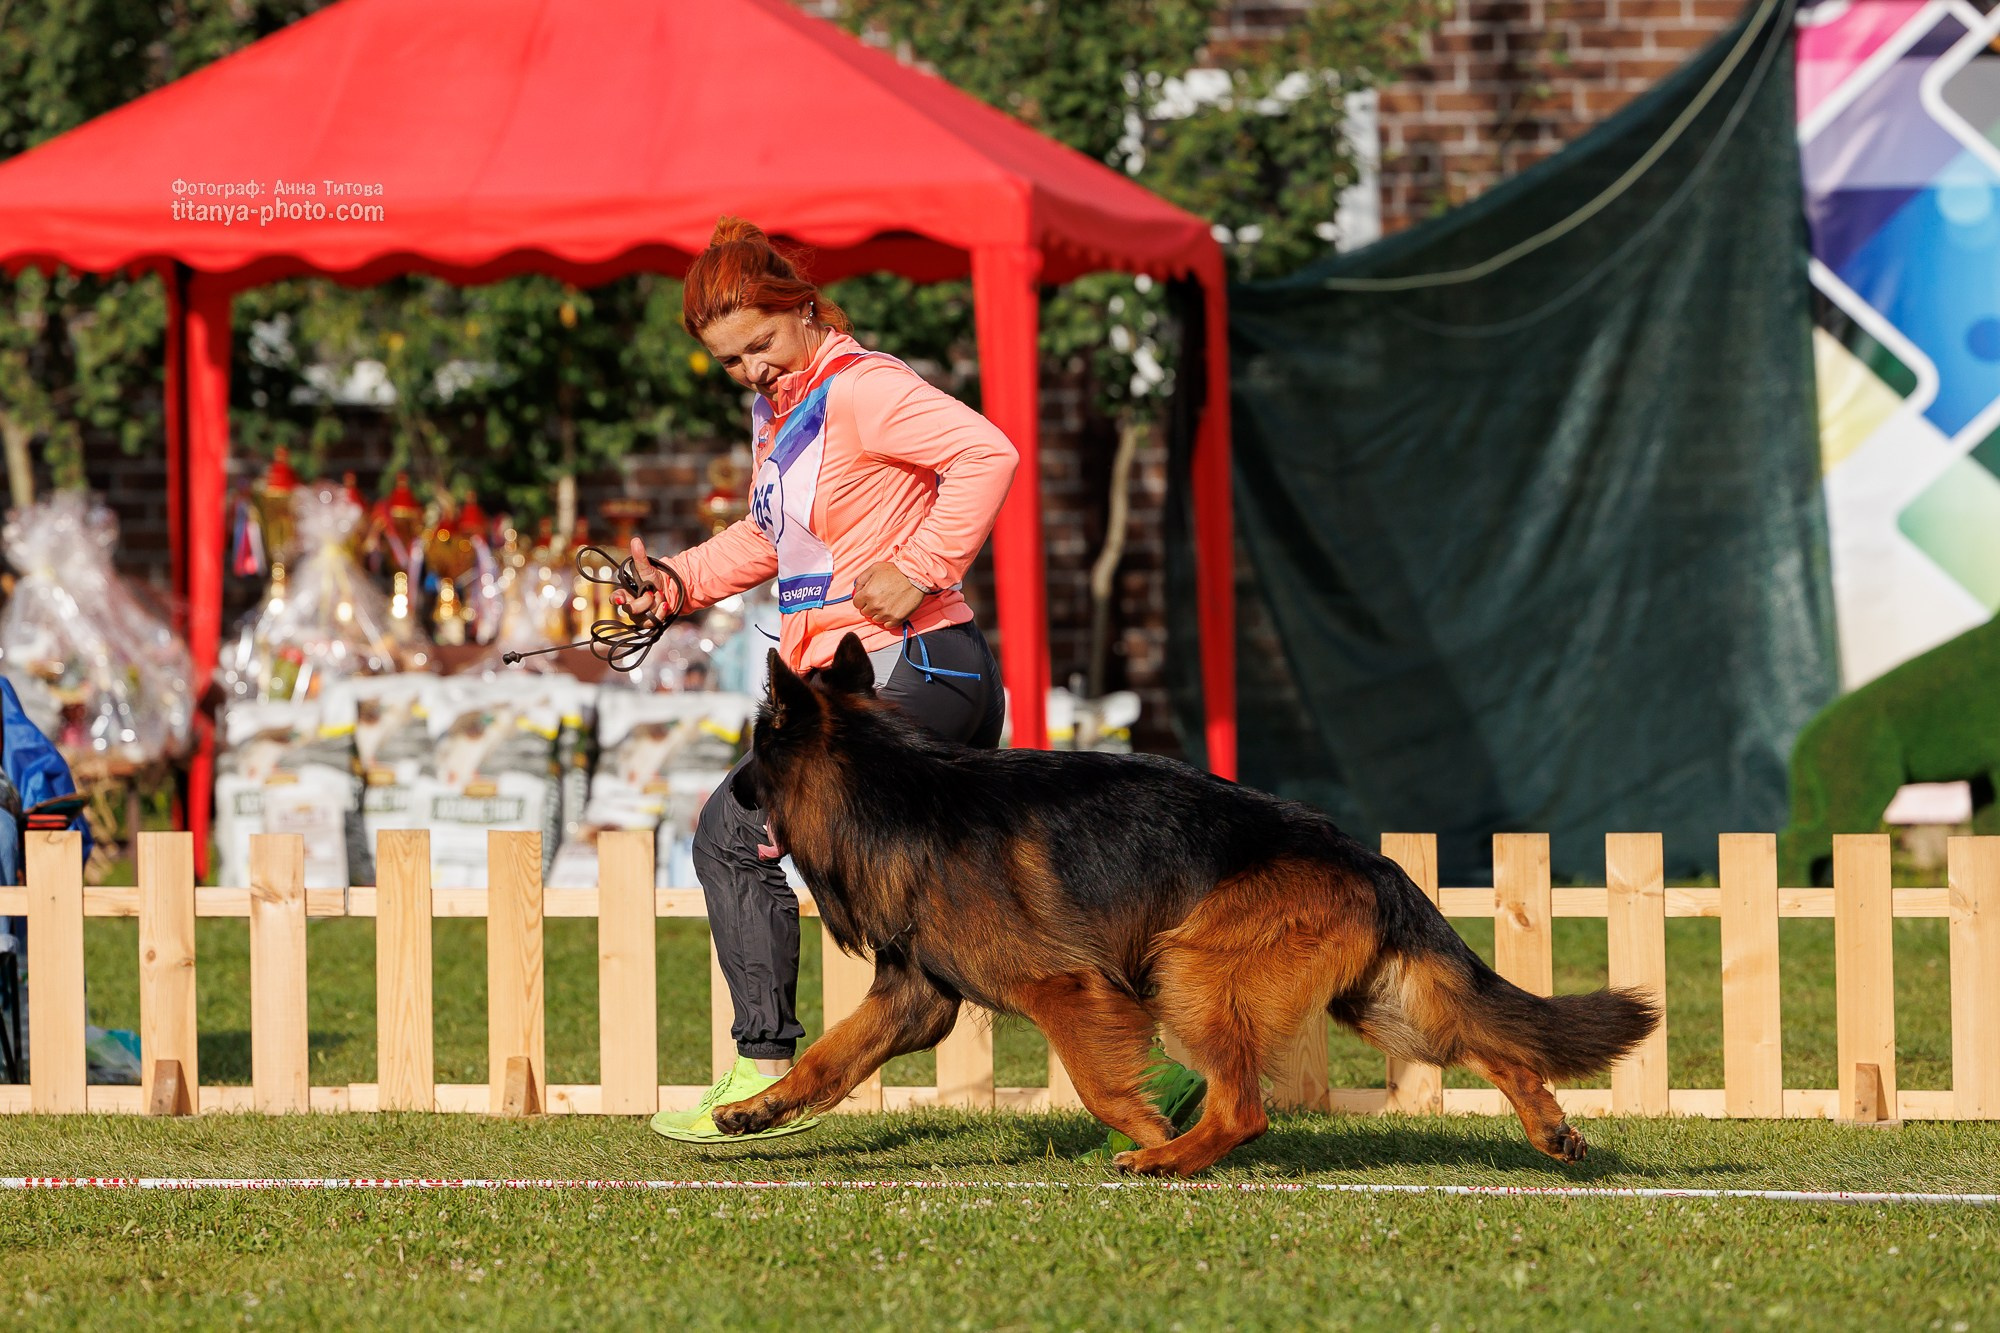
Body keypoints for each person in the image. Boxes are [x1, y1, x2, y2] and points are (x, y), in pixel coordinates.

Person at [632, 217, 1201, 1147]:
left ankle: (764, 1066)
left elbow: (990, 453)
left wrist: (927, 560)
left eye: (761, 346)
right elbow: (778, 542)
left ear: (804, 310)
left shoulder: (862, 389)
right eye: (729, 361)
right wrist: (678, 583)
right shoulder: (784, 412)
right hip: (916, 676)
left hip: (903, 673)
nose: (751, 371)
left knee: (734, 835)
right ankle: (1162, 1082)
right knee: (973, 908)